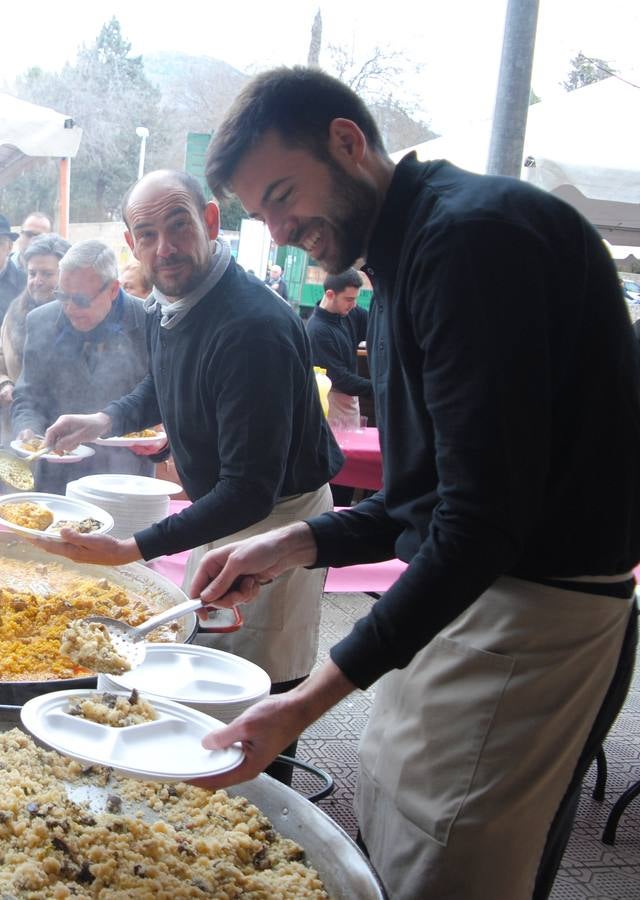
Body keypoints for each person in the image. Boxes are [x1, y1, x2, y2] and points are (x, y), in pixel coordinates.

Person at [186, 66, 640, 899]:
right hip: (467, 595)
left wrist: (304, 702)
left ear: (348, 142)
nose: (283, 230)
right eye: (263, 216)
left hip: (537, 614)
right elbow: (424, 498)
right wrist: (297, 541)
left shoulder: (473, 239)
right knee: (389, 826)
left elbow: (482, 520)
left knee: (449, 866)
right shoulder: (405, 255)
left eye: (285, 195)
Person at [39, 170, 342, 785]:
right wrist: (104, 418)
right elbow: (162, 383)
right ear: (130, 241)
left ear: (208, 220)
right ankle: (199, 785)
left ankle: (265, 805)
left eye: (177, 225)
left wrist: (131, 548)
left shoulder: (251, 326)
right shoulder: (166, 305)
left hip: (280, 518)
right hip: (222, 506)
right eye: (146, 234)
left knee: (258, 678)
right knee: (203, 662)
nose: (164, 248)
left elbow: (253, 488)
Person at [11, 240, 154, 493]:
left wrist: (161, 442)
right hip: (57, 473)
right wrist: (27, 429)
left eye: (80, 300)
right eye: (63, 296)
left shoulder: (150, 322)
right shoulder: (41, 321)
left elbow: (163, 400)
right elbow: (28, 394)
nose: (69, 309)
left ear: (113, 289)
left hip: (126, 478)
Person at [0, 232, 70, 441]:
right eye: (32, 273)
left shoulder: (80, 318)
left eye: (47, 274)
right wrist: (3, 387)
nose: (37, 281)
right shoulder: (14, 313)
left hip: (67, 440)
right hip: (20, 437)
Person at [305, 267, 371, 427]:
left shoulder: (349, 313)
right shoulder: (317, 331)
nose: (354, 305)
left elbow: (377, 326)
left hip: (350, 399)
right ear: (330, 295)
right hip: (332, 401)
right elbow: (341, 379)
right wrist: (382, 388)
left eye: (355, 299)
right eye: (349, 299)